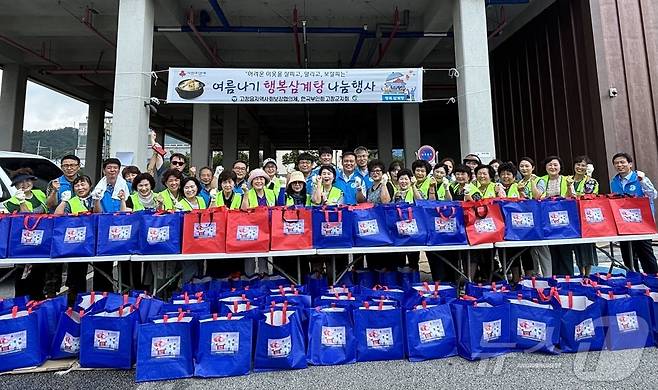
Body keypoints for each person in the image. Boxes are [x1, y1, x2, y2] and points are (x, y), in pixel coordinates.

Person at [5, 169, 51, 300]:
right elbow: (27, 218)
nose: (24, 184)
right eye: (20, 182)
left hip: (42, 243)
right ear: (16, 185)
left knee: (39, 277)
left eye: (27, 180)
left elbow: (48, 210)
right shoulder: (13, 201)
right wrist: (21, 201)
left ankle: (37, 306)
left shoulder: (39, 194)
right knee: (23, 279)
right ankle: (21, 309)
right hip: (23, 245)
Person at [610, 152, 658, 273]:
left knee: (645, 253)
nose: (619, 165)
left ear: (630, 164)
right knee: (627, 254)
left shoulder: (640, 178)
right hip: (623, 223)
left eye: (622, 162)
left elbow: (653, 195)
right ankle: (633, 281)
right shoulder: (614, 182)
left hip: (642, 223)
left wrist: (642, 181)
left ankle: (653, 279)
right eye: (616, 163)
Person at [53, 175, 96, 301]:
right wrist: (64, 201)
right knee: (76, 273)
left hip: (93, 241)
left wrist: (97, 201)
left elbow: (100, 213)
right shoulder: (71, 201)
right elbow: (57, 215)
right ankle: (74, 302)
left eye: (83, 184)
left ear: (90, 186)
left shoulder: (96, 198)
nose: (80, 188)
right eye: (77, 185)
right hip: (76, 242)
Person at [541, 156, 575, 276]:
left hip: (564, 219)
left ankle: (569, 278)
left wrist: (570, 187)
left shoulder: (567, 180)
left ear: (560, 167)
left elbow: (571, 197)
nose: (552, 167)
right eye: (549, 165)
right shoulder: (541, 181)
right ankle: (555, 278)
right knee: (552, 250)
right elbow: (537, 197)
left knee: (565, 249)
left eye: (555, 165)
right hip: (547, 219)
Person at [517, 156, 551, 277]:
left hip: (539, 217)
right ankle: (535, 275)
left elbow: (537, 196)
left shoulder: (539, 180)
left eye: (527, 166)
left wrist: (532, 182)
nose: (524, 168)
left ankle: (547, 276)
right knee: (531, 249)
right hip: (526, 218)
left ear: (533, 168)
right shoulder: (519, 183)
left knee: (542, 247)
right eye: (522, 166)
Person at [241, 169, 276, 277]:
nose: (259, 181)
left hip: (268, 227)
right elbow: (243, 210)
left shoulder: (271, 193)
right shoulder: (247, 193)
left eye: (261, 179)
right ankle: (249, 276)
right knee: (250, 254)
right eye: (256, 179)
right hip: (251, 228)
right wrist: (246, 194)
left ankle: (263, 274)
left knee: (264, 254)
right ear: (251, 182)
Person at [569, 155, 599, 276]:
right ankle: (580, 273)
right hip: (572, 217)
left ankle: (587, 274)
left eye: (583, 165)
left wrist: (589, 177)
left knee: (587, 246)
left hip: (585, 217)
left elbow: (589, 196)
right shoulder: (567, 179)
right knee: (576, 246)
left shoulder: (592, 181)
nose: (580, 167)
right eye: (578, 164)